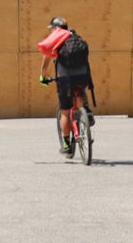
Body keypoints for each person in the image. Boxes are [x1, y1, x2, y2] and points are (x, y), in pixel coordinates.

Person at [37, 15, 93, 157]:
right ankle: (86, 109)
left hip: (65, 79)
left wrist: (43, 77)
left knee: (65, 113)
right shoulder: (75, 38)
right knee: (80, 90)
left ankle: (67, 144)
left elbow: (45, 64)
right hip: (83, 75)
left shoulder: (55, 40)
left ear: (56, 28)